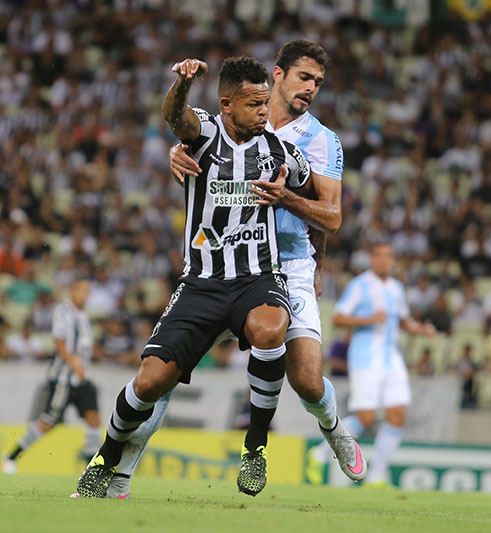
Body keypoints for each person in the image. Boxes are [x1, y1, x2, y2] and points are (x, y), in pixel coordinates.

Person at [107, 41, 365, 500]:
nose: (311, 89)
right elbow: (194, 138)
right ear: (278, 75)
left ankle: (333, 426)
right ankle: (120, 473)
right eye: (305, 78)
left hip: (288, 264)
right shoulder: (237, 115)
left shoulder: (322, 141)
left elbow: (331, 215)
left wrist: (294, 215)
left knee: (305, 379)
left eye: (319, 83)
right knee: (160, 379)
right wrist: (176, 155)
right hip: (222, 265)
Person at [75, 55, 310, 498]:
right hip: (201, 282)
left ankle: (255, 450)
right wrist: (182, 84)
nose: (264, 111)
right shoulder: (204, 132)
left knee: (270, 327)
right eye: (255, 104)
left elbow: (312, 192)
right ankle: (106, 458)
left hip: (255, 277)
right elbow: (175, 118)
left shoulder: (280, 151)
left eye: (266, 103)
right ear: (226, 104)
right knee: (150, 382)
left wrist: (295, 206)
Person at [307, 243, 435, 486]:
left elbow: (403, 321)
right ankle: (319, 454)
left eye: (389, 257)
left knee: (397, 415)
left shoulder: (396, 288)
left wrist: (420, 329)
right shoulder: (360, 285)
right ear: (373, 260)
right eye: (380, 257)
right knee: (365, 418)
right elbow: (338, 317)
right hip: (366, 357)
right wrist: (368, 319)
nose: (384, 261)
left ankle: (377, 475)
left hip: (392, 357)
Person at [2, 278, 98, 474]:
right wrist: (74, 363)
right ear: (72, 291)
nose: (85, 295)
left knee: (93, 418)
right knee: (48, 422)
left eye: (88, 291)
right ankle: (10, 457)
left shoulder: (84, 316)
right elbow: (59, 341)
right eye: (82, 290)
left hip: (81, 379)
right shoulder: (63, 311)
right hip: (64, 380)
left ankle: (91, 468)